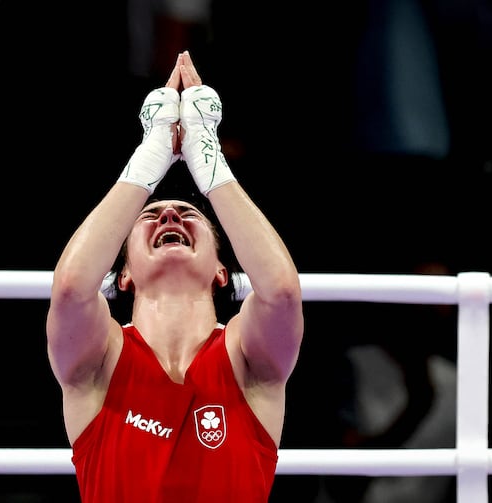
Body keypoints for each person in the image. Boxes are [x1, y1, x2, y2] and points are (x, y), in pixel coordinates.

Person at [45, 51, 304, 502]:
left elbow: (280, 292)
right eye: (151, 215)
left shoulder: (245, 358)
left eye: (188, 213)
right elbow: (71, 289)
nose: (168, 212)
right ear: (123, 274)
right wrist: (151, 157)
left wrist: (209, 159)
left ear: (222, 270)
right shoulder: (101, 358)